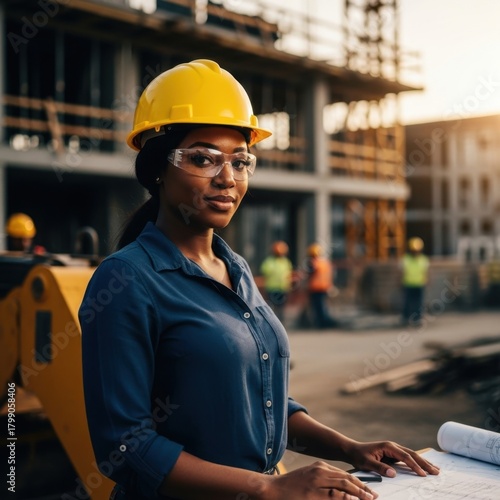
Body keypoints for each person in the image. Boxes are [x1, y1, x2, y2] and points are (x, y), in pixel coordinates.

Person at [79, 59, 439, 500]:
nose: (227, 178)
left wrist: (350, 448)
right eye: (203, 159)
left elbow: (262, 401)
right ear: (158, 168)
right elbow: (125, 445)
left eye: (240, 160)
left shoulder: (237, 269)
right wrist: (267, 487)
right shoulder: (127, 280)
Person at [260, 241, 293, 323]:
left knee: (281, 307)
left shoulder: (286, 262)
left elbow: (289, 274)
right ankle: (272, 322)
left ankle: (280, 322)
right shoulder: (269, 261)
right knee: (272, 307)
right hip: (272, 288)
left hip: (283, 288)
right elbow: (264, 273)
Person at [306, 243, 337, 329]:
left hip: (316, 289)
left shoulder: (313, 263)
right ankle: (325, 322)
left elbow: (309, 273)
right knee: (323, 306)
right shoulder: (326, 262)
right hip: (325, 288)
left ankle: (321, 323)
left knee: (318, 307)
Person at [401, 237, 430, 327]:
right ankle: (406, 318)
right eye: (414, 250)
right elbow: (401, 271)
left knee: (419, 303)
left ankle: (417, 319)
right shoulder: (406, 259)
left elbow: (427, 272)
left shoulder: (423, 259)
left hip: (419, 284)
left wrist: (427, 280)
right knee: (407, 302)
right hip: (408, 284)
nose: (415, 252)